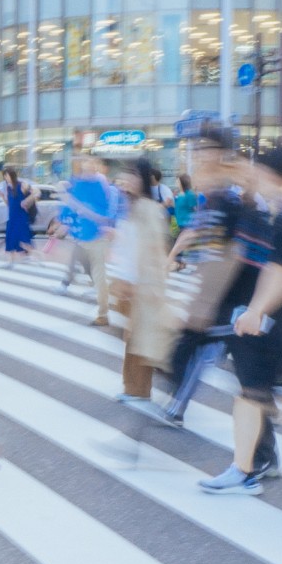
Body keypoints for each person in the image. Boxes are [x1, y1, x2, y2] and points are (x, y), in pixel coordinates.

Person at [198, 142, 282, 496]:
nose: (248, 175)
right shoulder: (272, 208)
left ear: (267, 173)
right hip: (264, 320)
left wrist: (257, 310)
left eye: (254, 169)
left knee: (258, 398)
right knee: (253, 396)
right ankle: (249, 466)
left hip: (276, 324)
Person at [109, 157, 177, 405]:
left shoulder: (148, 208)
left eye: (133, 175)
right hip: (128, 282)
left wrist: (148, 284)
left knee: (139, 339)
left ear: (144, 179)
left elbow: (153, 249)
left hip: (143, 284)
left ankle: (141, 388)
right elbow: (127, 245)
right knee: (134, 338)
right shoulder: (130, 205)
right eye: (126, 174)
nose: (127, 179)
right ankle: (137, 386)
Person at [58, 157, 118, 324]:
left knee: (98, 273)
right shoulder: (80, 184)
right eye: (83, 168)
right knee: (92, 270)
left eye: (88, 167)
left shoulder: (101, 184)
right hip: (83, 236)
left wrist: (104, 223)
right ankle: (99, 299)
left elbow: (106, 210)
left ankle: (103, 313)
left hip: (97, 236)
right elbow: (70, 207)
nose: (85, 171)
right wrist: (66, 224)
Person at [0, 165, 35, 265]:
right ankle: (11, 260)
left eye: (7, 175)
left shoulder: (21, 185)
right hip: (12, 217)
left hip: (21, 217)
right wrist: (2, 197)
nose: (5, 178)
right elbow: (10, 204)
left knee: (23, 239)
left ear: (12, 175)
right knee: (10, 239)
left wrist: (26, 201)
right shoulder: (9, 189)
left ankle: (31, 256)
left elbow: (35, 193)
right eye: (4, 176)